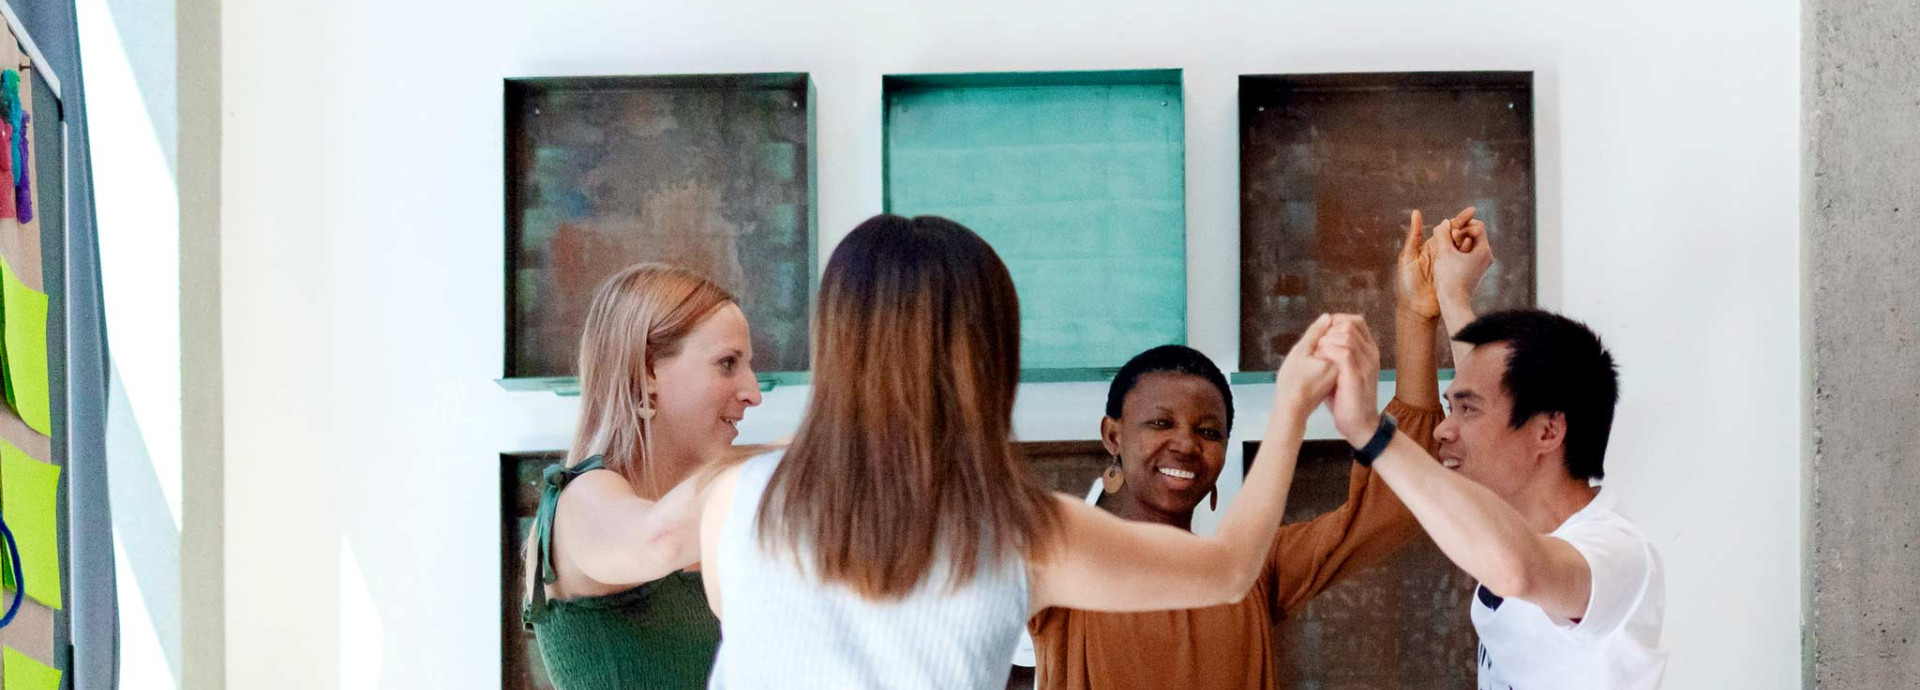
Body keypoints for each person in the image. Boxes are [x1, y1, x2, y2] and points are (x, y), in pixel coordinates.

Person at [694, 214, 1343, 689]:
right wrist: (1290, 407)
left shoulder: (734, 497)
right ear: (989, 355)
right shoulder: (1023, 531)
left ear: (835, 339)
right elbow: (1230, 570)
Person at [1025, 209, 1467, 690]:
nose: (1186, 444)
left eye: (1209, 432)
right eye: (1160, 423)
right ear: (1113, 436)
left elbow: (1393, 507)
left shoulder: (1254, 569)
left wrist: (1415, 317)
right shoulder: (1057, 563)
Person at [1312, 217, 1667, 689]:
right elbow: (1493, 394)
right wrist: (1451, 292)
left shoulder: (1616, 554)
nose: (1443, 430)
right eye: (1451, 408)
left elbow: (1518, 571)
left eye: (1465, 410)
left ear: (1547, 432)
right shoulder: (1516, 517)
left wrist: (1370, 431)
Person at [522, 263, 766, 690]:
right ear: (648, 370)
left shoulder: (705, 517)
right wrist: (812, 453)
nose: (753, 392)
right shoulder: (579, 501)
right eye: (727, 363)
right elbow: (661, 539)